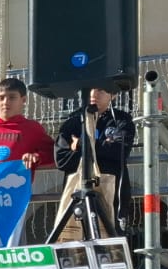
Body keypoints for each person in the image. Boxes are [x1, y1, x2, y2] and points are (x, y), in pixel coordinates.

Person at [55, 85, 136, 231]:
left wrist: (81, 144)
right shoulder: (72, 121)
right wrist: (102, 147)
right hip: (77, 194)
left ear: (113, 95)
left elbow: (120, 151)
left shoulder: (121, 120)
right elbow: (61, 160)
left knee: (112, 243)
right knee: (76, 245)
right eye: (90, 89)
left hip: (112, 194)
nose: (93, 94)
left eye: (101, 90)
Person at [0, 77, 53, 175]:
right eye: (1, 98)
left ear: (23, 100)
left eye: (12, 97)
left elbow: (52, 153)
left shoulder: (33, 128)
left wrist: (36, 157)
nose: (6, 102)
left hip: (17, 186)